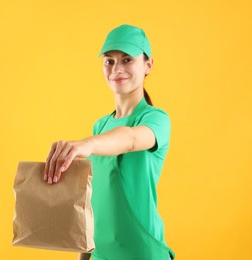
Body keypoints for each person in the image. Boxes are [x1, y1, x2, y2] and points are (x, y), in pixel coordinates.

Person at [44, 24, 175, 260]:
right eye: (109, 61)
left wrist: (87, 144)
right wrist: (84, 256)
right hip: (101, 254)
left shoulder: (156, 119)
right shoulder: (100, 126)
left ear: (148, 65)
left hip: (142, 253)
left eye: (127, 60)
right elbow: (91, 201)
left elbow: (132, 139)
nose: (117, 68)